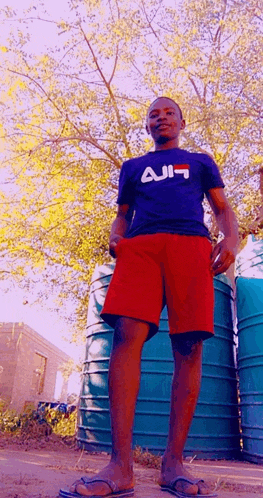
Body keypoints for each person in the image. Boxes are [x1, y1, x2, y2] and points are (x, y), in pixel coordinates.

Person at [59, 97, 239, 498]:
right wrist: (115, 233)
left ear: (181, 122)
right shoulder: (133, 168)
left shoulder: (199, 161)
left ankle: (173, 464)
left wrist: (231, 238)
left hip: (190, 246)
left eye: (168, 112)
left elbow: (222, 208)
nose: (161, 118)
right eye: (153, 114)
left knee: (189, 343)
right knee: (126, 334)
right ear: (147, 127)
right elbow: (123, 214)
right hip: (140, 249)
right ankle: (119, 466)